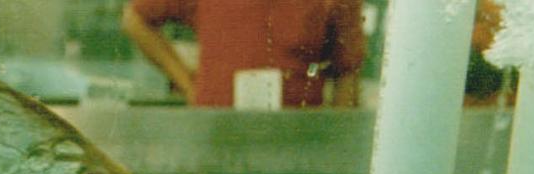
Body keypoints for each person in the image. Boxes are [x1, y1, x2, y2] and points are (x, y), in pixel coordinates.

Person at [121, 0, 365, 109]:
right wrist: (187, 83)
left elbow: (347, 70)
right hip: (214, 131)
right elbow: (136, 19)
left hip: (300, 140)